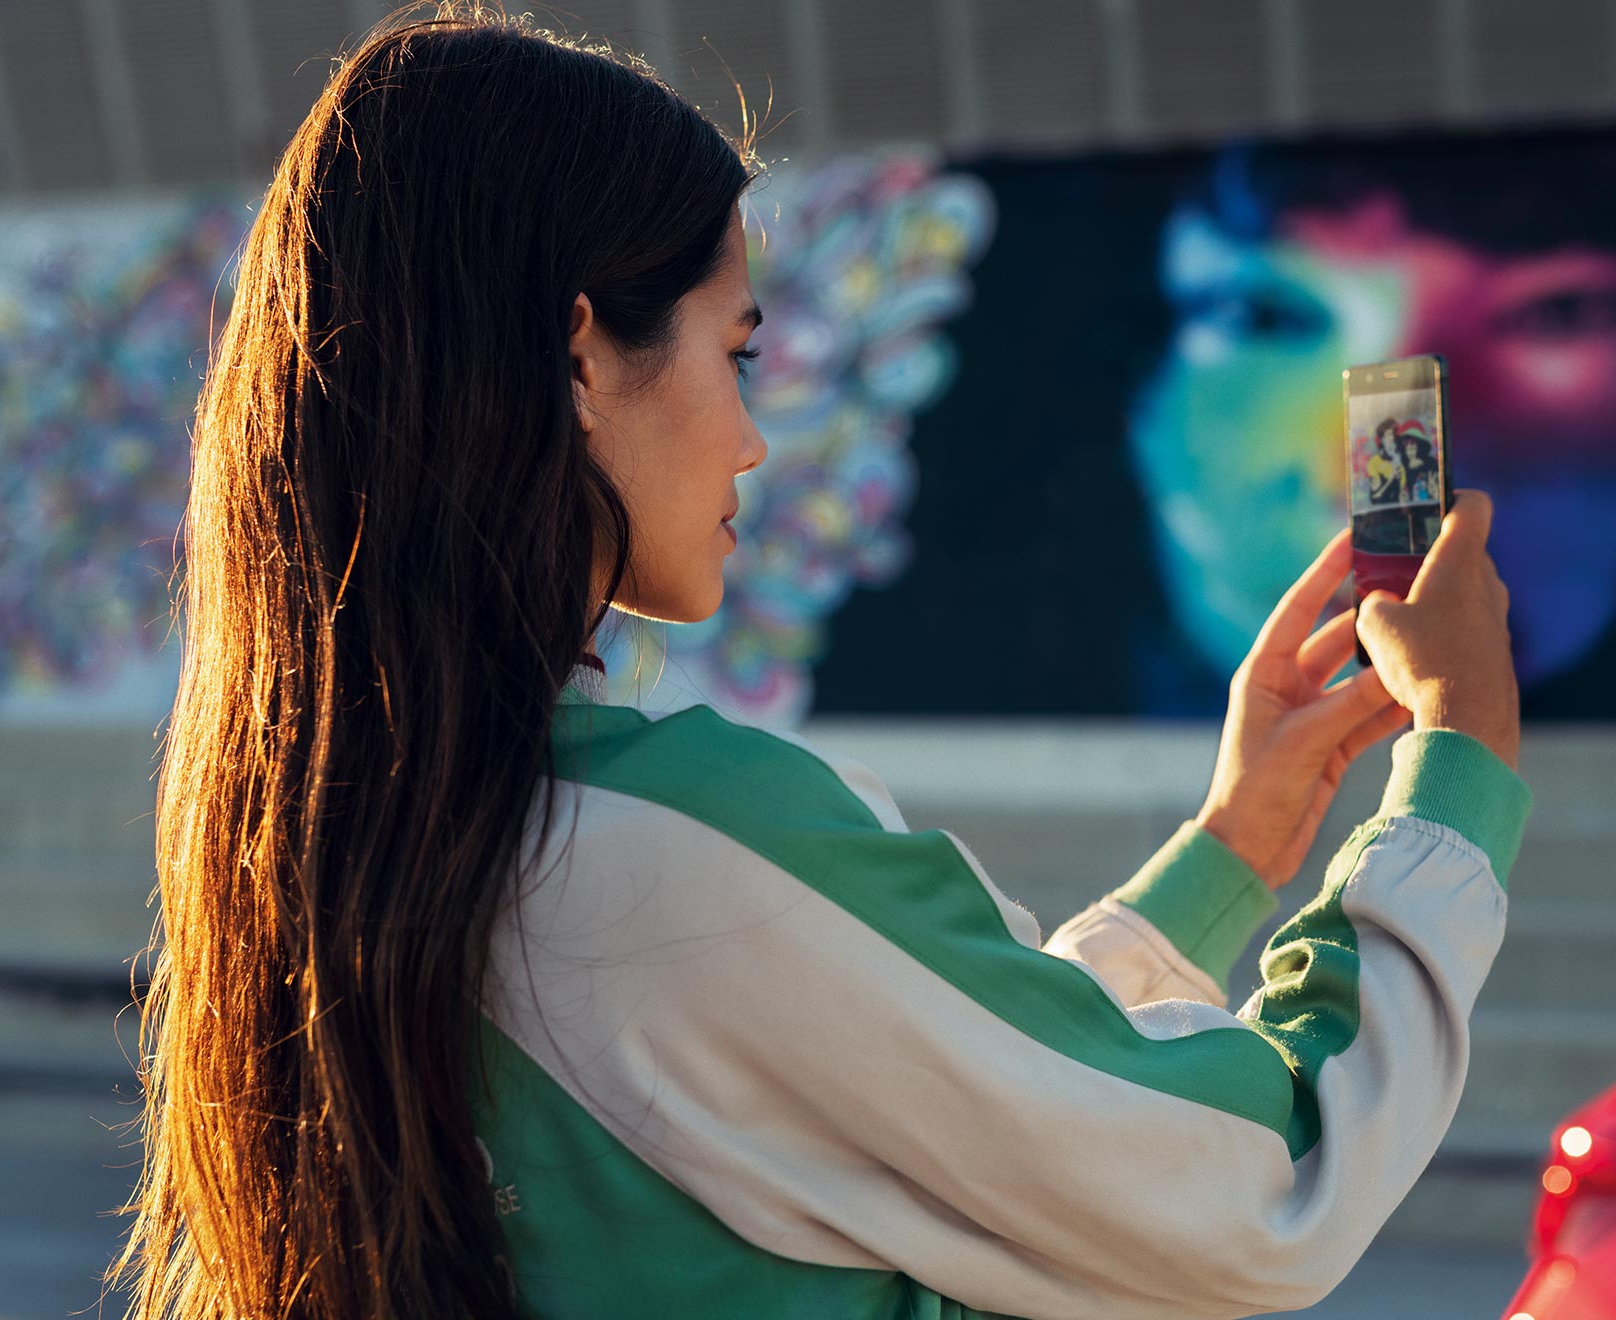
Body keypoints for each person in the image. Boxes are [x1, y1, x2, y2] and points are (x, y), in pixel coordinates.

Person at [112, 6, 1528, 1318]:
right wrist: (1458, 768)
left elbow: (896, 1076)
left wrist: (1230, 853)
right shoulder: (669, 842)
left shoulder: (315, 836)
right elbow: (1251, 1185)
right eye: (738, 350)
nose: (751, 437)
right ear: (582, 352)